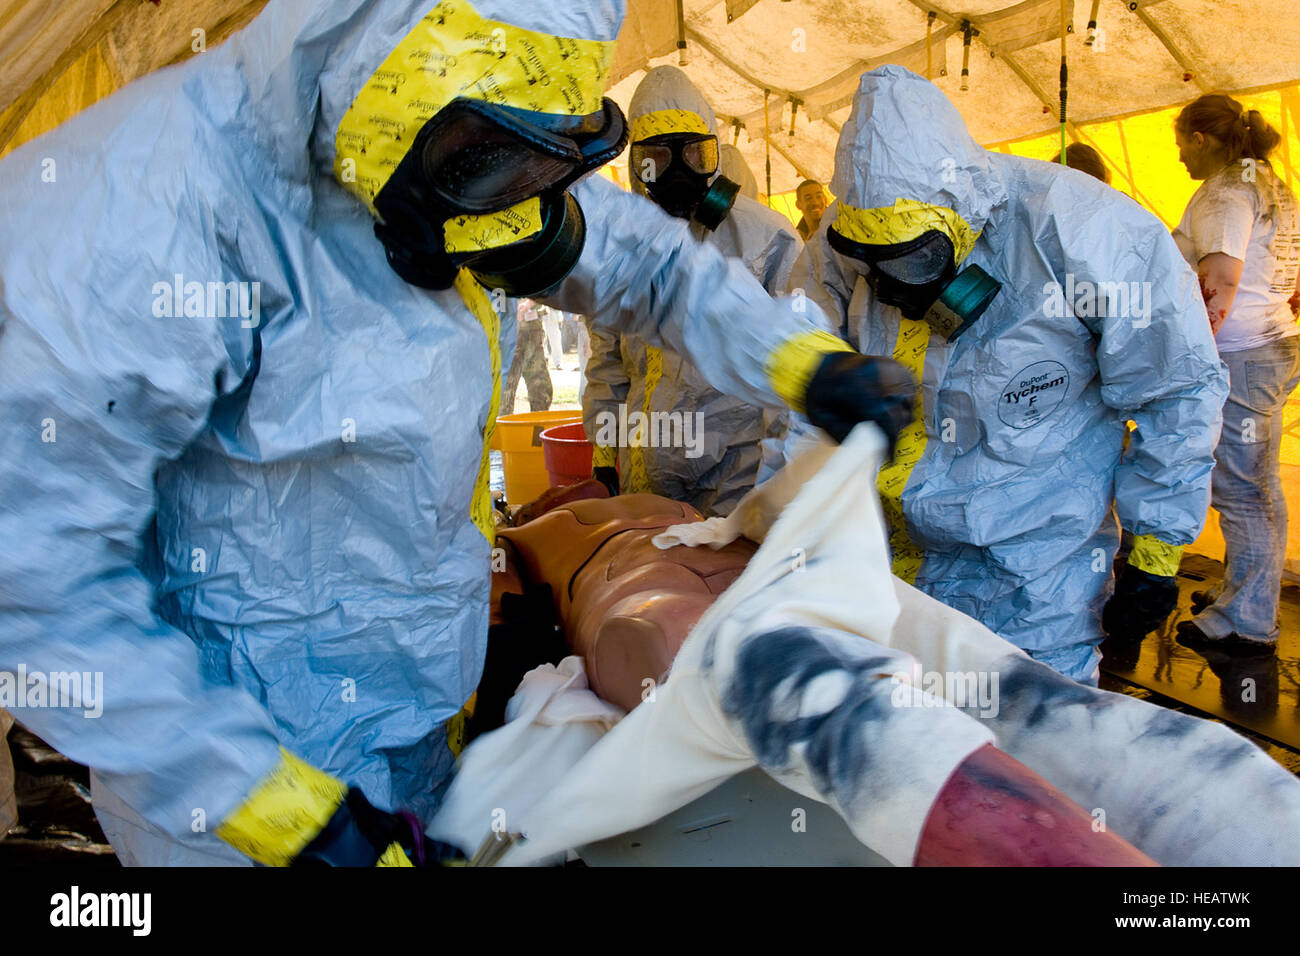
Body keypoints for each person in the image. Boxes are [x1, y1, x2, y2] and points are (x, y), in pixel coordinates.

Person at [0, 0, 908, 866]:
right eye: (490, 172)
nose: (506, 204)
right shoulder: (140, 217)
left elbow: (642, 262)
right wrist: (272, 808)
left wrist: (801, 362)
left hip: (418, 709)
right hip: (245, 779)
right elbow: (34, 571)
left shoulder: (467, 156)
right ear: (398, 85)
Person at [792, 66, 1228, 684]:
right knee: (907, 749)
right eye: (872, 266)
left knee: (1029, 747)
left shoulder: (1085, 232)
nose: (889, 288)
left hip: (1035, 581)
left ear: (963, 219)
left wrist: (1155, 554)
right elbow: (794, 371)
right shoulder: (844, 237)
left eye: (914, 261)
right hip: (880, 563)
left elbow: (1178, 389)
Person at [584, 66, 806, 516]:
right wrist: (606, 455)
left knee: (724, 579)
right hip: (647, 466)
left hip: (737, 472)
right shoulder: (623, 243)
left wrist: (781, 477)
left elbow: (794, 371)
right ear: (634, 163)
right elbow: (608, 362)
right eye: (658, 158)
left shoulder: (765, 238)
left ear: (716, 151)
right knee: (658, 580)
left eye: (694, 155)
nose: (678, 171)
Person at [1169, 94, 1300, 655]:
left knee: (1244, 491)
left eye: (1180, 145)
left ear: (1202, 139)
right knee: (1254, 483)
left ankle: (1248, 622)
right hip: (1269, 344)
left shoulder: (1226, 191)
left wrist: (1184, 351)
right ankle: (1246, 592)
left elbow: (1218, 279)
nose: (1177, 159)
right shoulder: (1269, 183)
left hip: (1241, 353)